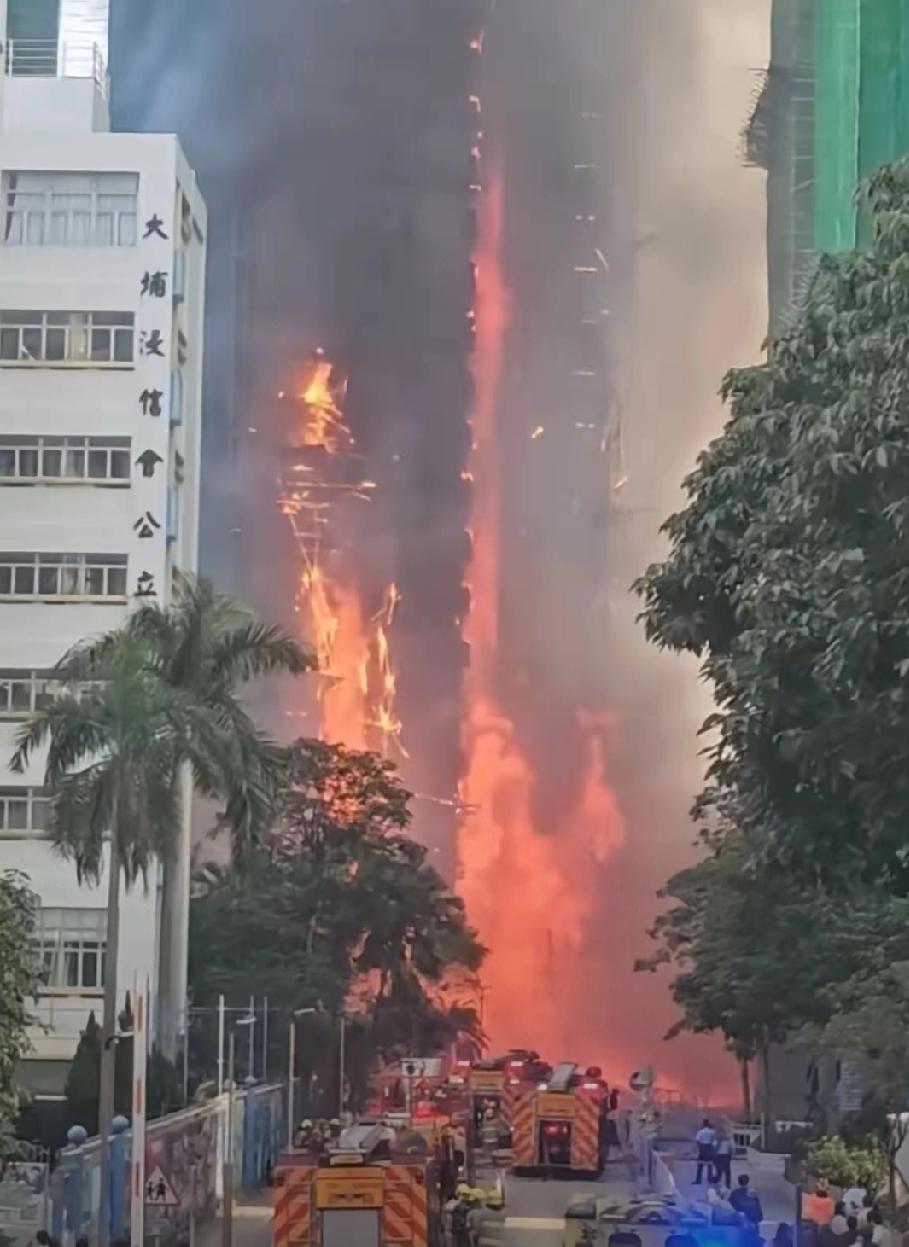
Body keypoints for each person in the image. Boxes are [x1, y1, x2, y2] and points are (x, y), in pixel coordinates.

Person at [695, 1119, 717, 1185]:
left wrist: (700, 1147)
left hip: (702, 1147)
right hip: (709, 1147)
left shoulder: (700, 1131)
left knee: (700, 1164)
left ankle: (698, 1180)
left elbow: (698, 1140)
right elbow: (714, 1141)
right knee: (710, 1164)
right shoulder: (712, 1132)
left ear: (703, 1124)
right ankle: (710, 1179)